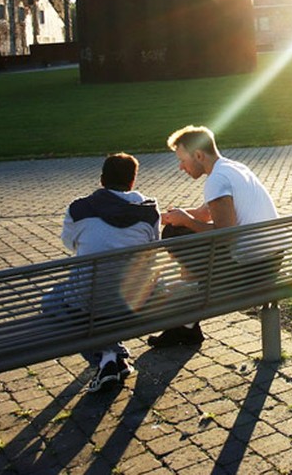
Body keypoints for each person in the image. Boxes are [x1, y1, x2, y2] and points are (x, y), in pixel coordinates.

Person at [148, 124, 280, 348]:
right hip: (272, 261)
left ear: (198, 155)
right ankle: (186, 325)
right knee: (178, 229)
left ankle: (184, 321)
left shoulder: (216, 180)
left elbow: (225, 234)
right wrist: (168, 216)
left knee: (174, 234)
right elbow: (203, 214)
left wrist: (185, 222)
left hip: (252, 271)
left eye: (182, 160)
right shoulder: (233, 168)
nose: (181, 167)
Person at [61, 153, 161, 392]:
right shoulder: (149, 211)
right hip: (135, 301)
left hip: (91, 301)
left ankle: (106, 358)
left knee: (54, 303)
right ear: (132, 182)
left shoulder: (78, 209)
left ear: (102, 179)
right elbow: (152, 251)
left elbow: (69, 244)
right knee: (113, 289)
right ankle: (116, 356)